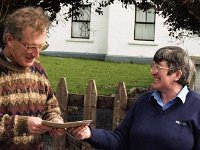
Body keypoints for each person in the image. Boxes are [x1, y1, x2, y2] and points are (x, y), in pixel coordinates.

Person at [68, 46, 200, 150]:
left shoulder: (196, 106)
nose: (152, 72)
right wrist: (90, 134)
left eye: (158, 67)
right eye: (152, 66)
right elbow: (120, 140)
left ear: (177, 74)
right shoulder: (144, 101)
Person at [0, 7, 65, 149]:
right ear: (10, 39)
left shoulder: (39, 69)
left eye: (41, 47)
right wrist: (21, 125)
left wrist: (54, 120)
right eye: (31, 47)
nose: (37, 55)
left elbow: (50, 105)